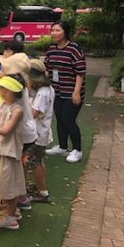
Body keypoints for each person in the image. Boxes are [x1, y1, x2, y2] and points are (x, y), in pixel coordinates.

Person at [44, 20, 87, 163]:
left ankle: (77, 150)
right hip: (57, 91)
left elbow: (80, 72)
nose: (54, 33)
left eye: (58, 30)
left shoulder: (74, 48)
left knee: (68, 119)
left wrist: (76, 92)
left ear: (65, 32)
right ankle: (62, 147)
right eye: (53, 30)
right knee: (60, 119)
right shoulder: (52, 48)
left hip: (72, 91)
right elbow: (46, 67)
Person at [0, 75, 26, 230]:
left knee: (9, 185)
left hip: (9, 152)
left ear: (15, 92)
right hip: (0, 150)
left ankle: (10, 217)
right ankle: (9, 211)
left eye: (7, 89)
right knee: (3, 183)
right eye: (1, 88)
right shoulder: (3, 104)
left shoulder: (17, 110)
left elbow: (5, 130)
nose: (2, 92)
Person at [27, 59, 54, 203]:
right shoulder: (45, 89)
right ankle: (40, 187)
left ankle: (43, 193)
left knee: (33, 162)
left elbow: (34, 113)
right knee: (39, 160)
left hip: (37, 134)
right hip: (42, 133)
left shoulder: (43, 93)